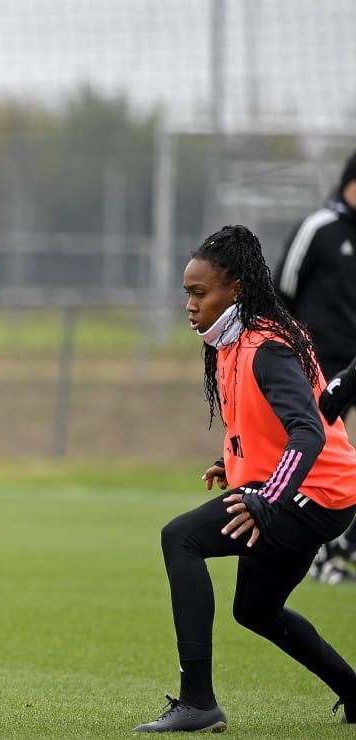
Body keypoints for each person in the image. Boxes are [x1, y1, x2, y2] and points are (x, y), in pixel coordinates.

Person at [133, 225, 356, 733]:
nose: (189, 304)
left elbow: (308, 430)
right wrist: (231, 457)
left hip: (311, 495)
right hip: (315, 491)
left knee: (181, 537)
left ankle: (198, 703)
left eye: (199, 293)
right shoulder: (235, 339)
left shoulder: (264, 347)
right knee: (256, 610)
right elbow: (270, 423)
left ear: (235, 288)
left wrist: (267, 499)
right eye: (186, 293)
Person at [273, 150, 356, 584]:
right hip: (319, 370)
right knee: (318, 461)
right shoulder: (318, 229)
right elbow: (281, 293)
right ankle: (318, 557)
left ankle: (344, 547)